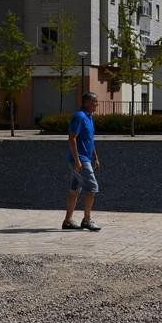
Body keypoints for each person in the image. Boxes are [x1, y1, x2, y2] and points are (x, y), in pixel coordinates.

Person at [63, 92, 102, 231]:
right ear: (86, 103)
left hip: (85, 158)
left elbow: (89, 139)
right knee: (92, 188)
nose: (97, 104)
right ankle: (87, 220)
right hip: (80, 160)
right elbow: (72, 138)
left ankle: (67, 221)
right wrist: (77, 160)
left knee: (74, 190)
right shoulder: (79, 117)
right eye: (95, 101)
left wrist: (95, 157)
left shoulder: (89, 117)